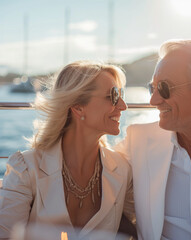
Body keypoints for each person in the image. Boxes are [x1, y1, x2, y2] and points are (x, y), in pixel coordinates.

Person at [115, 39, 191, 240]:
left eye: (164, 88)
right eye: (152, 88)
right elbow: (94, 176)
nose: (153, 101)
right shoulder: (138, 141)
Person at [0, 61, 135, 239]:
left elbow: (143, 227)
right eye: (114, 95)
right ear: (78, 107)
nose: (123, 106)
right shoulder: (25, 169)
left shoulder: (122, 170)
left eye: (121, 94)